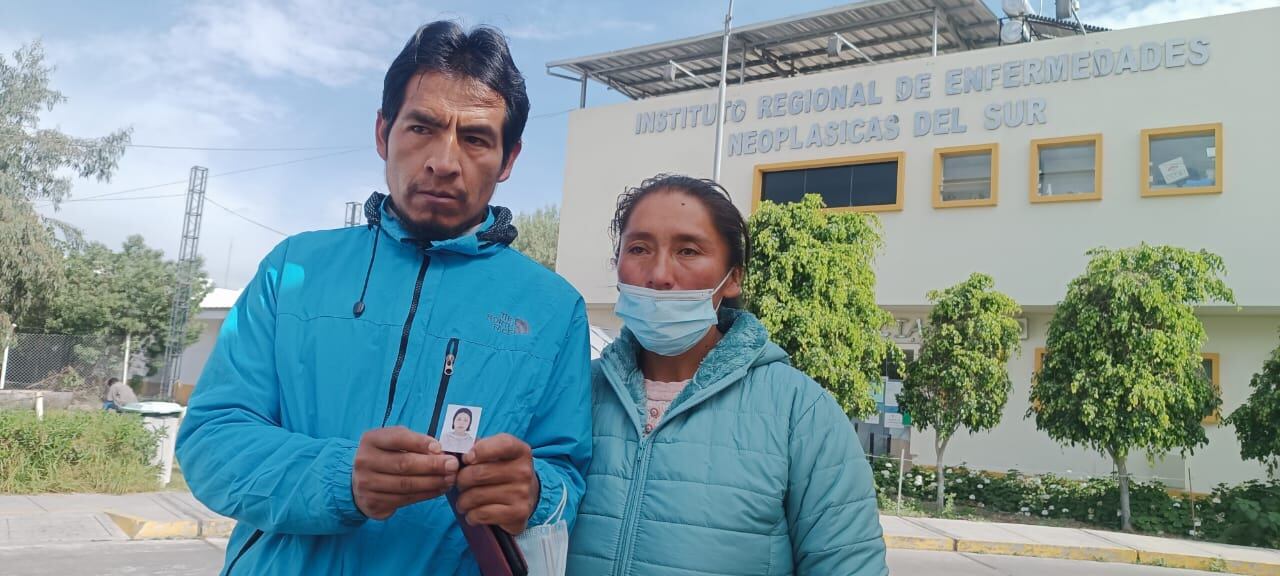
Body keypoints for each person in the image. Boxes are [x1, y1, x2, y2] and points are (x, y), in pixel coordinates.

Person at [176, 22, 592, 575]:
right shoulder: (292, 270)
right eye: (422, 126)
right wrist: (342, 477)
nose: (444, 161)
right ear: (383, 133)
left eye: (475, 138)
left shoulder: (553, 309)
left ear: (509, 159)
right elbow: (211, 443)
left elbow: (566, 477)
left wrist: (534, 492)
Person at [567, 174, 888, 575]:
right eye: (639, 248)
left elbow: (847, 564)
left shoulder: (800, 412)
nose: (660, 274)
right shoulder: (575, 390)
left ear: (732, 277)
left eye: (687, 250)